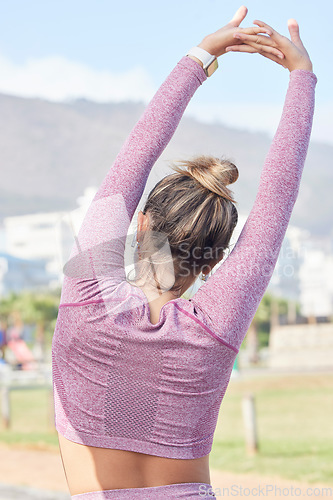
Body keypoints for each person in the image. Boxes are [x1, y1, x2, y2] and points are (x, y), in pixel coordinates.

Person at [52, 6, 316, 499]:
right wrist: (301, 76)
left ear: (140, 222)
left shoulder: (86, 293)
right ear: (216, 261)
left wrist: (201, 56)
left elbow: (137, 153)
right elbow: (278, 200)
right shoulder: (215, 323)